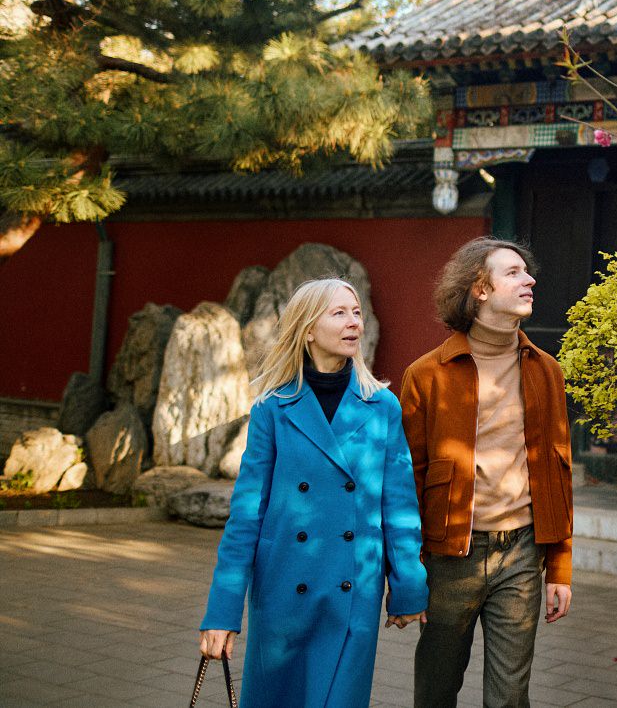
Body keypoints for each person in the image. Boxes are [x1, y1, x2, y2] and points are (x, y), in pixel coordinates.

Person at [199, 278, 428, 708]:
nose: (353, 322)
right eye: (338, 313)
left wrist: (409, 584)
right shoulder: (273, 408)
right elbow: (247, 516)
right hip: (283, 588)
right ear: (307, 329)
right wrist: (223, 612)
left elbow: (398, 505)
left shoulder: (382, 406)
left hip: (351, 591)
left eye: (357, 312)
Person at [401, 237, 574, 708]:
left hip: (521, 550)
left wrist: (559, 566)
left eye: (526, 270)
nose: (529, 279)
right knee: (436, 688)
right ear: (479, 288)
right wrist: (408, 571)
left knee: (510, 696)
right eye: (513, 272)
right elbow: (408, 480)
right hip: (451, 552)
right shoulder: (427, 374)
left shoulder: (546, 371)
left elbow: (559, 472)